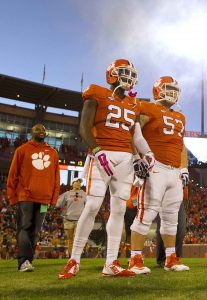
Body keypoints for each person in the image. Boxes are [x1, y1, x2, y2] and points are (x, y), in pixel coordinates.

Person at [59, 59, 150, 279]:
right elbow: (84, 127)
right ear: (112, 74)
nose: (128, 78)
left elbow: (134, 136)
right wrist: (97, 150)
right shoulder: (97, 93)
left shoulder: (133, 104)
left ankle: (111, 262)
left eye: (130, 74)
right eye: (123, 73)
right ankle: (74, 260)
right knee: (91, 206)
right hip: (102, 155)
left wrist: (140, 157)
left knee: (119, 210)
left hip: (126, 159)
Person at [128, 76, 190, 274]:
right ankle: (135, 259)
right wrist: (136, 159)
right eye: (167, 88)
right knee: (146, 214)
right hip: (155, 167)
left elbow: (181, 147)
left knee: (171, 218)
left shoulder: (181, 117)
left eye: (174, 89)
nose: (171, 92)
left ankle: (171, 258)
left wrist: (184, 168)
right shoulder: (148, 108)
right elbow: (132, 133)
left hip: (174, 171)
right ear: (157, 90)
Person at [7, 123, 60, 272]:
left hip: (44, 198)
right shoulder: (22, 150)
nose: (41, 131)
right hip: (26, 196)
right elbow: (13, 175)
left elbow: (56, 177)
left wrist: (54, 199)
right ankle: (23, 261)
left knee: (36, 231)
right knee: (25, 227)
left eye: (43, 129)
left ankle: (27, 262)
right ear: (31, 132)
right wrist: (12, 197)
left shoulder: (53, 153)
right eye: (37, 129)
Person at [155, 186, 188, 267]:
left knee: (181, 229)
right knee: (163, 226)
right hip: (163, 193)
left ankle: (175, 257)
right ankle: (162, 258)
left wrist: (185, 197)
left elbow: (184, 180)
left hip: (178, 194)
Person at [56, 178, 86, 257]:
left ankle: (76, 256)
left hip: (80, 220)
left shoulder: (84, 194)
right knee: (70, 240)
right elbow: (58, 204)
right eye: (77, 182)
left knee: (76, 238)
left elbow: (88, 205)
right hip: (68, 219)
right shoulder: (67, 194)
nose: (78, 183)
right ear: (72, 183)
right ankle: (71, 257)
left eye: (80, 182)